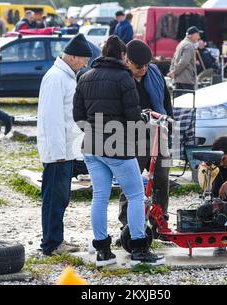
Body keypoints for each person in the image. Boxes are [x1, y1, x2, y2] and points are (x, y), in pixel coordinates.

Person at [73, 35, 165, 267]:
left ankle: (103, 251)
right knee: (136, 195)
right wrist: (143, 118)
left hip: (91, 146)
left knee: (100, 197)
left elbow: (78, 116)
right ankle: (139, 249)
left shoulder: (85, 77)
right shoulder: (124, 78)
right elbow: (133, 116)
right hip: (117, 146)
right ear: (123, 55)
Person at [37, 33, 92, 256]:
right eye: (84, 59)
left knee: (61, 197)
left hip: (66, 150)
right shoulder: (56, 78)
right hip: (57, 152)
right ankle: (51, 243)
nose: (86, 63)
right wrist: (59, 152)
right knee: (54, 199)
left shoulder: (66, 76)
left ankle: (56, 239)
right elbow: (52, 119)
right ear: (72, 57)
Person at [118, 39, 173, 232]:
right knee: (131, 181)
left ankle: (159, 222)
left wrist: (169, 127)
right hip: (133, 137)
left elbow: (166, 102)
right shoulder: (121, 78)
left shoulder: (155, 74)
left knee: (162, 179)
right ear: (127, 61)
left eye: (146, 65)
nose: (143, 69)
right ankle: (127, 226)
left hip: (159, 133)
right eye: (139, 66)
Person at [168, 26, 200, 97]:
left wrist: (172, 71)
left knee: (176, 101)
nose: (199, 37)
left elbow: (174, 59)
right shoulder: (189, 45)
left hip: (179, 79)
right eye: (198, 35)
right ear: (193, 35)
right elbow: (184, 62)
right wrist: (174, 72)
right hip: (186, 79)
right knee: (189, 101)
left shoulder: (181, 43)